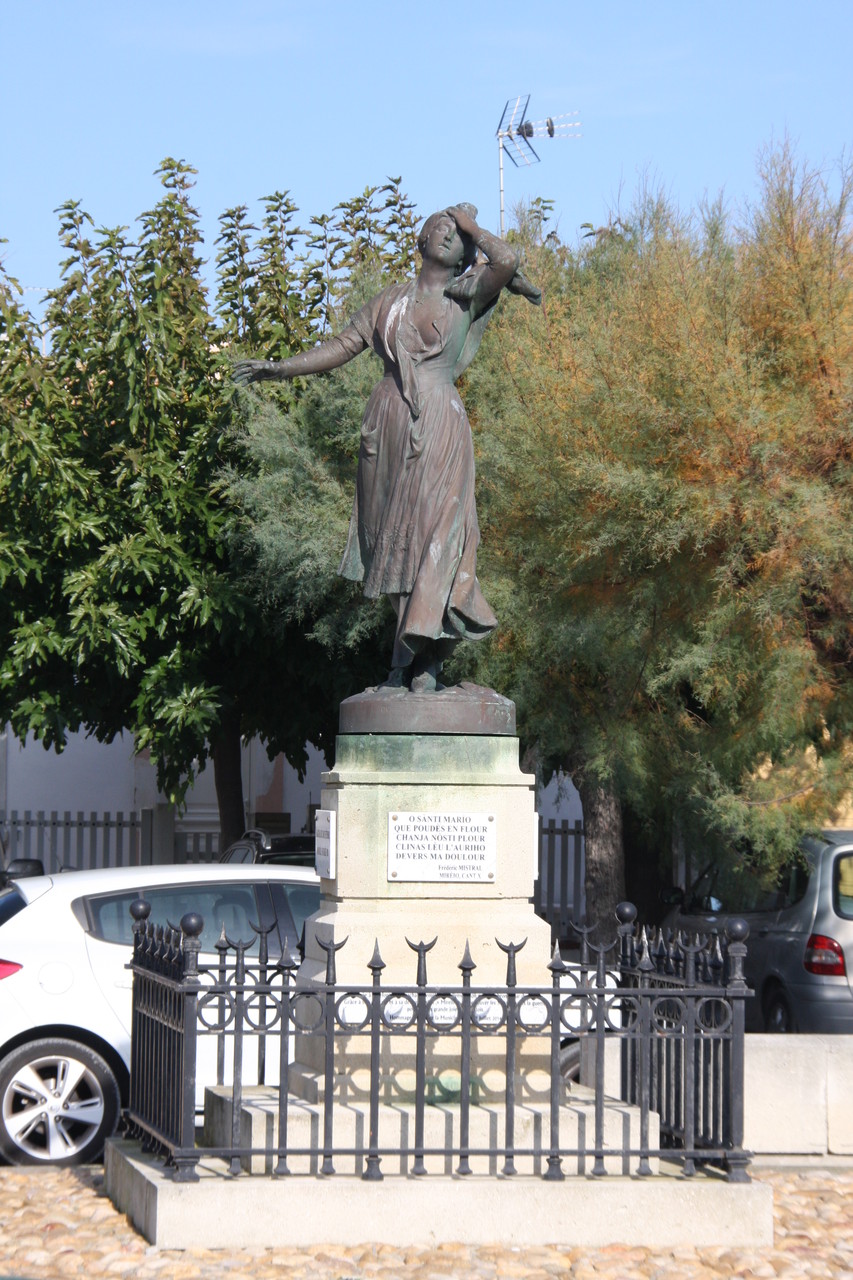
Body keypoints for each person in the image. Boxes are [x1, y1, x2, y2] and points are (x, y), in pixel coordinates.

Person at [234, 204, 539, 693]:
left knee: (437, 530)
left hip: (439, 419)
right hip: (388, 422)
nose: (447, 234)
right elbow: (343, 345)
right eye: (439, 226)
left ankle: (427, 663)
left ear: (465, 252)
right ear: (420, 240)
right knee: (389, 541)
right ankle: (406, 656)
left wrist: (473, 226)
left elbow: (506, 260)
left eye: (455, 234)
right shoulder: (389, 301)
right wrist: (282, 368)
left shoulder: (468, 293)